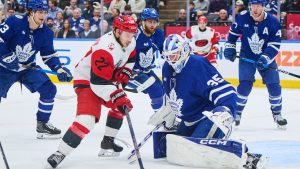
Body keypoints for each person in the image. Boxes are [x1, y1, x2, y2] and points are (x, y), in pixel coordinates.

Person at [148, 34, 267, 169]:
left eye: (174, 55)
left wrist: (225, 111)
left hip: (207, 117)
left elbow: (228, 92)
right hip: (188, 120)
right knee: (176, 151)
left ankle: (246, 157)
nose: (171, 60)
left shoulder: (197, 65)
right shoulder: (167, 68)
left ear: (185, 50)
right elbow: (174, 93)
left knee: (197, 153)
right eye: (168, 56)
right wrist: (169, 112)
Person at [46, 15, 138, 168]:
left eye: (132, 35)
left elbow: (131, 57)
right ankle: (60, 153)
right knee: (86, 120)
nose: (130, 38)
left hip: (105, 78)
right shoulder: (104, 49)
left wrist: (125, 72)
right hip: (87, 80)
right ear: (116, 31)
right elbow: (98, 82)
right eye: (127, 34)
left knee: (122, 107)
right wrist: (117, 95)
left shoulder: (130, 41)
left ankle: (107, 142)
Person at [98, 7, 168, 157]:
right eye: (149, 21)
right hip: (130, 73)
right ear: (143, 22)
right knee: (154, 89)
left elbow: (164, 51)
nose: (152, 24)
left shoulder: (159, 34)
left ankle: (160, 118)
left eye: (155, 21)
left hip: (146, 70)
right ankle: (160, 118)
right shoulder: (134, 36)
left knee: (161, 90)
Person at [0, 0, 73, 139]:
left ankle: (43, 124)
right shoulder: (14, 21)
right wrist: (5, 56)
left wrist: (59, 69)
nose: (43, 15)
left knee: (49, 89)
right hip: (3, 67)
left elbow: (49, 55)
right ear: (30, 12)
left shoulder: (46, 32)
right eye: (40, 12)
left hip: (26, 67)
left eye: (45, 12)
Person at [223, 0, 287, 128]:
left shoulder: (273, 21)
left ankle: (277, 113)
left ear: (263, 7)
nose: (255, 9)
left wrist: (265, 58)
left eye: (258, 6)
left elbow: (274, 45)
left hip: (266, 59)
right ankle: (237, 113)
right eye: (253, 6)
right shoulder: (242, 17)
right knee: (244, 86)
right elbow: (232, 35)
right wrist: (230, 47)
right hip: (247, 57)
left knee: (274, 86)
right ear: (250, 6)